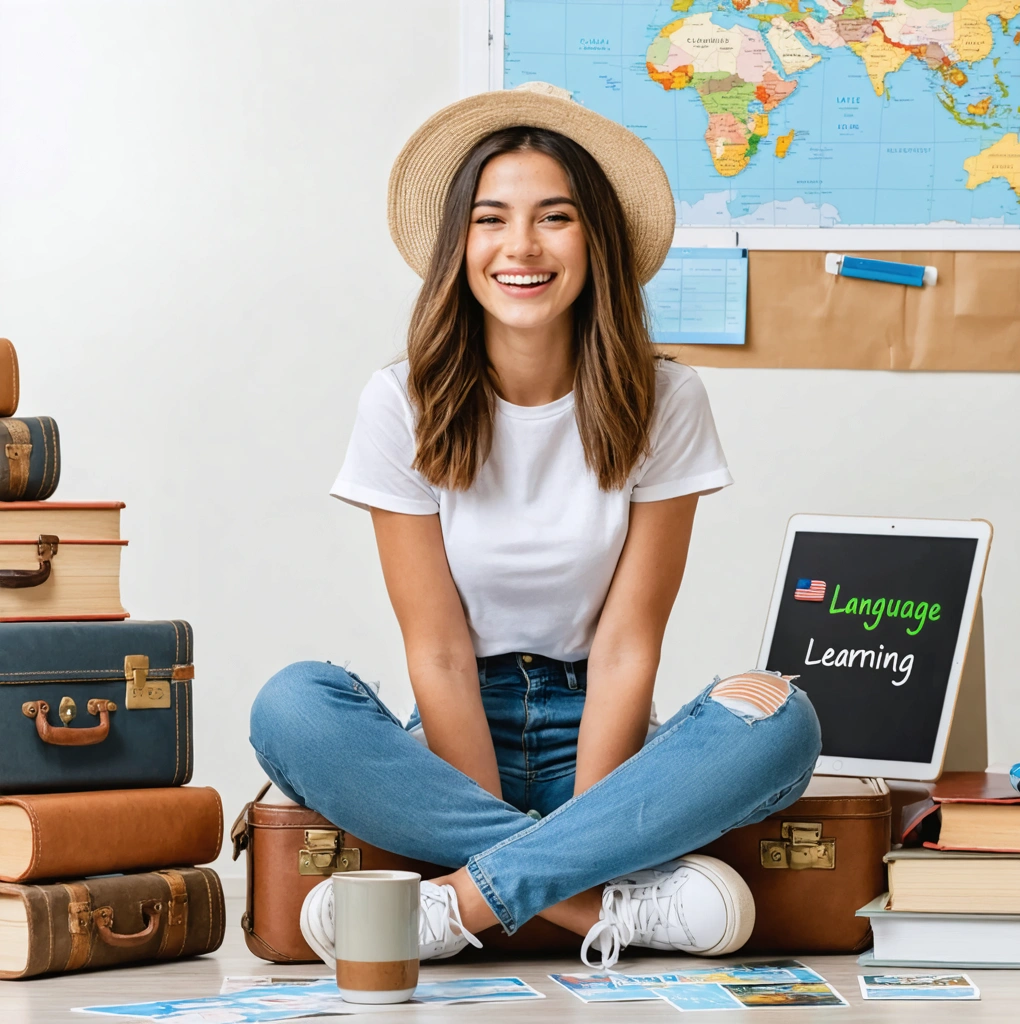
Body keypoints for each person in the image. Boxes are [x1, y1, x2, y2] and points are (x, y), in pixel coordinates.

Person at [249, 82, 821, 971]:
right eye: (491, 219)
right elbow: (435, 650)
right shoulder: (401, 401)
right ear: (459, 246)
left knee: (782, 718)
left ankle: (458, 906)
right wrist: (569, 855)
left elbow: (630, 647)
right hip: (449, 750)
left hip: (603, 747)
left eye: (554, 217)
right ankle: (616, 907)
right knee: (291, 704)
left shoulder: (666, 399)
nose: (521, 247)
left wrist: (586, 824)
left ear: (595, 240)